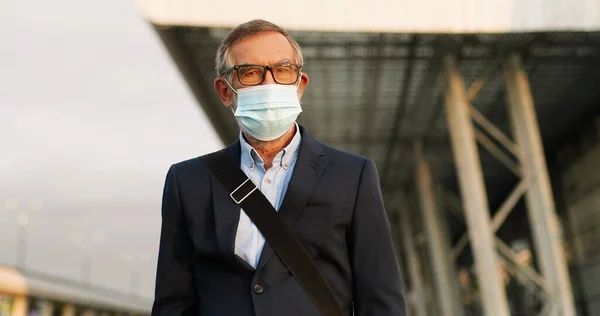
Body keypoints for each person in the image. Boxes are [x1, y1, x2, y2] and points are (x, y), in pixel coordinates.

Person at [152, 19, 406, 316]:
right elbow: (173, 303)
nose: (269, 83)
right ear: (225, 91)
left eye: (283, 70)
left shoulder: (352, 176)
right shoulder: (188, 181)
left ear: (300, 85)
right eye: (250, 73)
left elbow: (380, 299)